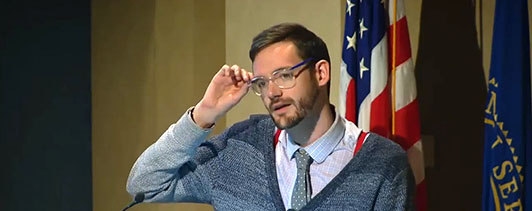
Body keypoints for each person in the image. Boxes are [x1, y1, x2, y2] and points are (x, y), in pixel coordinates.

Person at [126, 23, 415, 210]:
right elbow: (144, 184)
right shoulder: (238, 149)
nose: (272, 92)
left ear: (321, 73)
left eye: (285, 76)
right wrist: (203, 114)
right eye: (262, 82)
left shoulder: (383, 164)